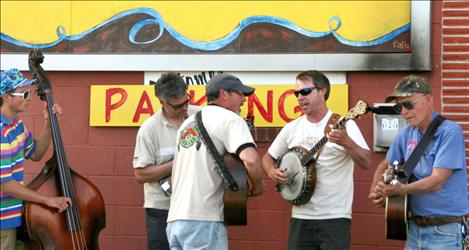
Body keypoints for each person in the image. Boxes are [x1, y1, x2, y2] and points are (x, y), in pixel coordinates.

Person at [262, 70, 371, 250]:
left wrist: (347, 142)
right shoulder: (292, 128)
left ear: (322, 91)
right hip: (300, 216)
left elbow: (366, 162)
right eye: (297, 93)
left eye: (305, 92)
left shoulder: (345, 124)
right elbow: (267, 158)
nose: (300, 97)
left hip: (334, 218)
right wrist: (272, 172)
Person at [166, 73, 265, 249]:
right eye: (240, 94)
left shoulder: (187, 124)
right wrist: (258, 187)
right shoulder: (231, 119)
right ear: (223, 94)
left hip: (175, 221)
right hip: (204, 221)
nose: (244, 99)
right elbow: (250, 159)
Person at [368, 75, 468, 249]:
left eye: (408, 104)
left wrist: (401, 189)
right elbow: (385, 164)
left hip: (444, 231)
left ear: (429, 99)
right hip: (413, 229)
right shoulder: (406, 133)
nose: (403, 112)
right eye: (399, 106)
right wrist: (377, 190)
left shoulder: (450, 132)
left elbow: (437, 181)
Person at [0, 68, 72, 249]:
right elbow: (5, 184)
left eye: (29, 92)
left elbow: (36, 153)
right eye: (24, 93)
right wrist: (47, 200)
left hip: (13, 216)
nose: (29, 97)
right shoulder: (1, 132)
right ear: (6, 97)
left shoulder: (16, 126)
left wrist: (49, 124)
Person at [133, 72, 199, 250]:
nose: (184, 108)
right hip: (162, 209)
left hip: (197, 207)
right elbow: (140, 174)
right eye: (177, 106)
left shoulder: (201, 117)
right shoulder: (149, 129)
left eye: (186, 101)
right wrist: (178, 163)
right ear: (162, 102)